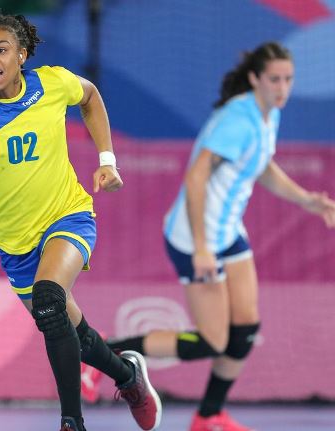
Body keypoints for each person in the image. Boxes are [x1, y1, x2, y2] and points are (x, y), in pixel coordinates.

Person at [0, 13, 161, 431]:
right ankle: (129, 377)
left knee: (50, 298)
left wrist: (107, 160)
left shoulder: (52, 83)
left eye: (1, 50)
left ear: (21, 55)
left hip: (67, 216)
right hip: (14, 241)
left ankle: (71, 423)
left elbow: (90, 97)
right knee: (71, 330)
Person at [107, 42, 335, 431]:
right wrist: (200, 248)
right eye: (274, 80)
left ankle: (208, 416)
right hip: (195, 236)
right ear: (255, 79)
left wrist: (306, 200)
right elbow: (195, 178)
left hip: (229, 232)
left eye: (288, 80)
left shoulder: (267, 115)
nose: (282, 88)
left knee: (244, 331)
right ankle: (107, 354)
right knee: (213, 341)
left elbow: (261, 166)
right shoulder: (237, 119)